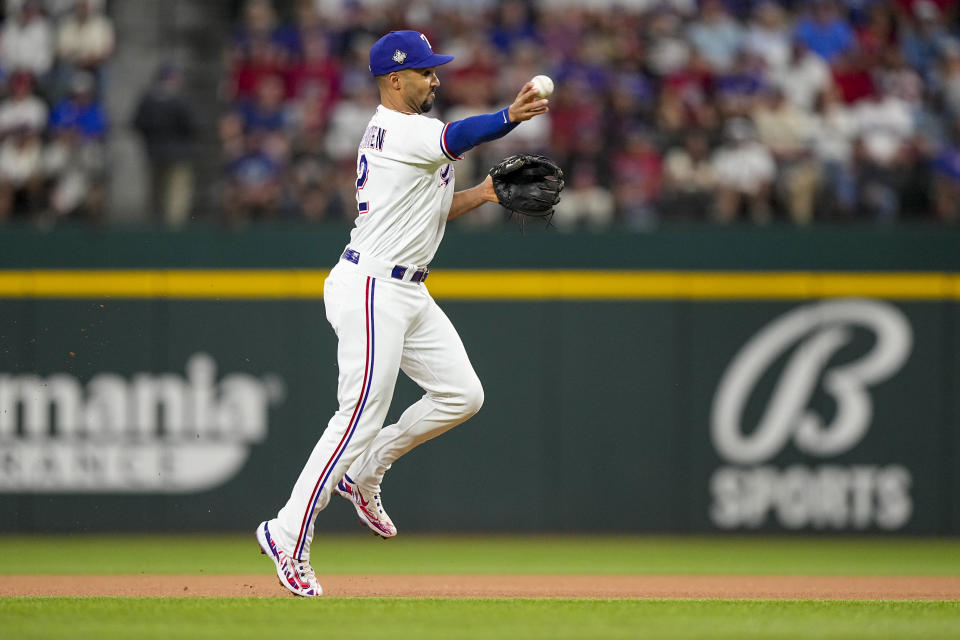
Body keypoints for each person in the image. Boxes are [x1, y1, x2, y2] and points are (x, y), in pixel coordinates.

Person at [255, 30, 549, 597]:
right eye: (425, 71)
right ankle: (287, 532)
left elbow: (434, 211)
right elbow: (461, 134)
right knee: (358, 412)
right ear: (395, 79)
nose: (436, 79)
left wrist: (485, 193)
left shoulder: (413, 136)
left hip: (407, 291)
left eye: (435, 70)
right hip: (371, 287)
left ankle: (367, 473)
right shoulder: (398, 129)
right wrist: (509, 116)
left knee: (463, 394)